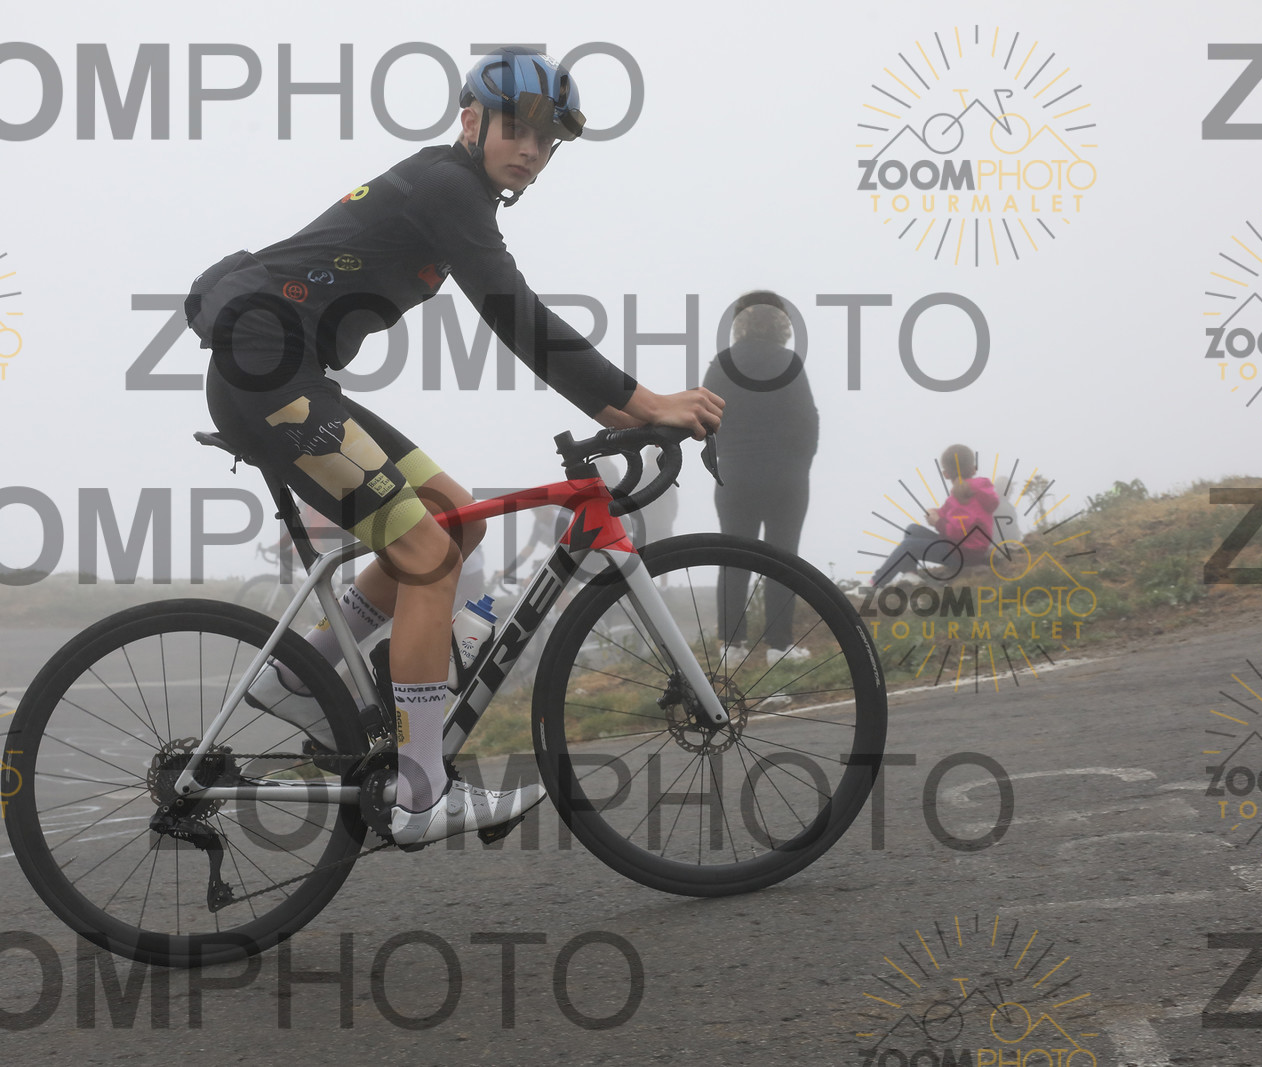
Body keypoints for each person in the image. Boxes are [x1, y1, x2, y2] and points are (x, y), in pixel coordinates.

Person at [183, 48, 723, 846]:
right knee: (430, 557)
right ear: (471, 122)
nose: (531, 150)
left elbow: (517, 320)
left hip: (285, 373)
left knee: (453, 519)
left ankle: (301, 677)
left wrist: (630, 408)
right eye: (517, 130)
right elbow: (517, 315)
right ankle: (419, 793)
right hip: (266, 374)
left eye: (547, 141)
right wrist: (644, 402)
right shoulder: (448, 188)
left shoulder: (451, 191)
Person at [703, 292, 818, 667]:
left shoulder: (722, 364)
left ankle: (731, 647)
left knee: (733, 559)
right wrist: (800, 464)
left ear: (740, 326)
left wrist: (725, 457)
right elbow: (808, 421)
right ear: (782, 326)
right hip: (786, 475)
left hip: (735, 474)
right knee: (783, 559)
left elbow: (705, 418)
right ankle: (780, 647)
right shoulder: (789, 363)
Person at [870, 444, 999, 587]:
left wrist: (938, 522)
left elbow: (960, 531)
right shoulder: (974, 490)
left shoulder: (963, 494)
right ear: (973, 468)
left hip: (963, 553)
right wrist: (936, 513)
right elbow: (950, 513)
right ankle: (911, 575)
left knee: (908, 546)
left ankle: (874, 583)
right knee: (912, 529)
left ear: (946, 474)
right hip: (966, 548)